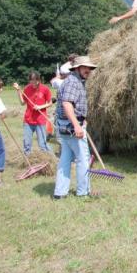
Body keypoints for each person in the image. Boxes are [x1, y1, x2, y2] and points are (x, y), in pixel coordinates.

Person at [53, 55, 98, 199]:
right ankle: (83, 192)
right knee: (83, 159)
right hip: (71, 127)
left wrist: (82, 119)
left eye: (89, 68)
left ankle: (60, 192)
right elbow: (67, 104)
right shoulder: (73, 82)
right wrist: (77, 125)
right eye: (85, 67)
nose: (88, 70)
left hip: (66, 125)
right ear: (77, 68)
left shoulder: (74, 81)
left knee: (65, 159)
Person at [13, 72, 53, 156]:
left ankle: (50, 158)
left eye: (35, 80)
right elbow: (22, 103)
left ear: (39, 80)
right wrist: (18, 91)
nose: (33, 82)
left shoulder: (45, 89)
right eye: (31, 80)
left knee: (42, 144)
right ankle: (28, 159)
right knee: (27, 144)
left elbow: (50, 103)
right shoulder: (27, 88)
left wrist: (40, 107)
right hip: (28, 120)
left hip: (40, 120)